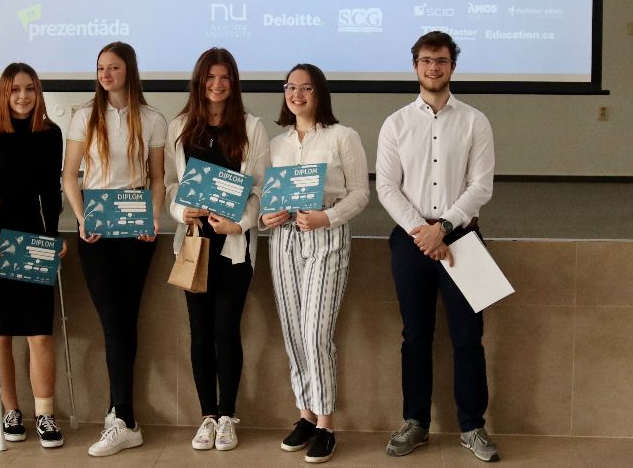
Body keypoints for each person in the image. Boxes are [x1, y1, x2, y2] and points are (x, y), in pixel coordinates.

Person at [375, 31, 498, 462]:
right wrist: (422, 231)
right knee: (415, 336)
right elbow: (387, 187)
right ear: (415, 66)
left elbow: (481, 186)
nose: (433, 67)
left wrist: (442, 227)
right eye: (426, 60)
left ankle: (472, 426)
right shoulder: (395, 123)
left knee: (469, 337)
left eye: (441, 60)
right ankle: (415, 423)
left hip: (463, 237)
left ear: (452, 67)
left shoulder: (475, 121)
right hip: (412, 239)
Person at [62, 41, 167, 458]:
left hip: (137, 233)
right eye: (101, 68)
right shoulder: (83, 116)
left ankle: (121, 416)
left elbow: (157, 179)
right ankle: (123, 417)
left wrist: (153, 218)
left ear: (130, 71)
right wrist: (82, 218)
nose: (106, 74)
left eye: (114, 67)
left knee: (125, 318)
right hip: (96, 233)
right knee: (113, 320)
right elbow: (69, 176)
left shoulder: (152, 118)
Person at [260, 64, 369, 464]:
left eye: (306, 88)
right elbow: (265, 197)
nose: (297, 94)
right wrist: (265, 217)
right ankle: (305, 415)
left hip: (326, 238)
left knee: (315, 332)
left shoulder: (343, 136)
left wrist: (328, 217)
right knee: (293, 332)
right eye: (291, 87)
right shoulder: (276, 143)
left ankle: (326, 424)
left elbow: (360, 194)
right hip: (284, 240)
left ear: (319, 93)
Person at [165, 48, 269, 453]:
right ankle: (207, 416)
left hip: (233, 246)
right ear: (199, 81)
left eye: (224, 77)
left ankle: (227, 416)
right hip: (194, 244)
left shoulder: (251, 127)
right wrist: (181, 211)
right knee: (200, 332)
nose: (217, 85)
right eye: (210, 77)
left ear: (234, 82)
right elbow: (170, 185)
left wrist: (239, 224)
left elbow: (259, 188)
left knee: (227, 330)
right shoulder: (180, 127)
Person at [0, 62, 66, 448]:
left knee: (40, 332)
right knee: (1, 332)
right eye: (15, 89)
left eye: (29, 88)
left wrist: (54, 237)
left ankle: (45, 415)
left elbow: (51, 194)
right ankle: (11, 411)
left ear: (38, 92)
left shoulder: (51, 134)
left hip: (35, 241)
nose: (23, 96)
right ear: (4, 94)